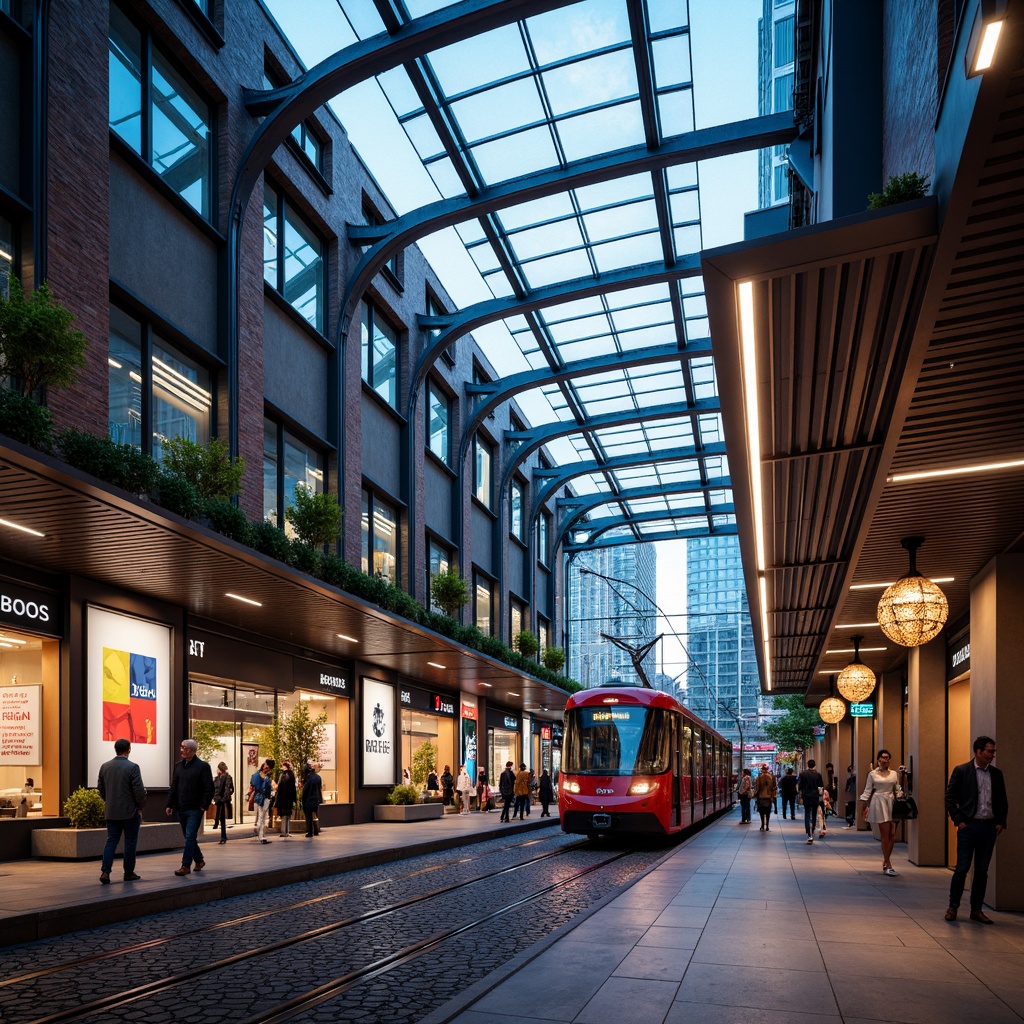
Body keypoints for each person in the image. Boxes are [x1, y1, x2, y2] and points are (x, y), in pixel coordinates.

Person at [944, 735, 1007, 923]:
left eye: (993, 751)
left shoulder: (997, 774)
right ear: (978, 752)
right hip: (968, 827)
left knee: (982, 870)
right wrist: (959, 820)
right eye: (989, 751)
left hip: (988, 828)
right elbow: (949, 798)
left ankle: (976, 909)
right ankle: (953, 907)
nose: (992, 755)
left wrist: (1000, 822)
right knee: (962, 868)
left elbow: (1003, 801)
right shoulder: (962, 771)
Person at [97, 737, 146, 884]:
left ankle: (105, 871)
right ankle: (128, 873)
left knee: (111, 840)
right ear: (129, 749)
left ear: (115, 749)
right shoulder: (133, 767)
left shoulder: (104, 766)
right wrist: (140, 806)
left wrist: (109, 801)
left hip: (111, 811)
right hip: (130, 811)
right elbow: (138, 791)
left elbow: (101, 789)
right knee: (130, 842)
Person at [166, 738, 214, 876]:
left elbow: (209, 788)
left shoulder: (203, 766)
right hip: (181, 807)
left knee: (190, 836)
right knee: (189, 838)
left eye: (183, 748)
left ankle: (185, 865)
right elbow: (174, 787)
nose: (181, 750)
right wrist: (170, 804)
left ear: (191, 750)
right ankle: (199, 860)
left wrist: (203, 806)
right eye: (181, 747)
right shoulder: (178, 766)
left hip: (195, 809)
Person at [861, 748, 900, 875]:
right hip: (879, 802)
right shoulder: (872, 774)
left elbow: (897, 788)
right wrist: (863, 807)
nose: (885, 760)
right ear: (878, 760)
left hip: (892, 802)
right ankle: (888, 864)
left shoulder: (894, 773)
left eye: (887, 758)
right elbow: (867, 791)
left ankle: (885, 861)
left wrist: (901, 796)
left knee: (892, 835)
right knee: (885, 835)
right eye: (883, 757)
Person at [798, 759, 824, 844]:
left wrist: (800, 795)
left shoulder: (803, 774)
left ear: (807, 765)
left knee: (807, 813)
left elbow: (800, 786)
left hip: (806, 796)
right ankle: (812, 830)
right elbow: (821, 787)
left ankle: (809, 833)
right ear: (815, 765)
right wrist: (821, 797)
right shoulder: (818, 775)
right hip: (815, 796)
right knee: (814, 814)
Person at [249, 758, 275, 844]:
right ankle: (261, 835)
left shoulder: (257, 775)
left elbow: (253, 783)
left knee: (261, 815)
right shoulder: (265, 777)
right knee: (262, 816)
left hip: (259, 796)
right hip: (264, 797)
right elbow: (266, 788)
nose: (265, 766)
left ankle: (260, 833)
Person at [212, 761, 234, 844]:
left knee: (222, 818)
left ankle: (223, 837)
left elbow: (230, 789)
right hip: (222, 799)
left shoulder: (220, 778)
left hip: (221, 800)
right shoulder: (225, 777)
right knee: (222, 818)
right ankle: (223, 836)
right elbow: (232, 789)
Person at [275, 760, 297, 837]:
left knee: (284, 815)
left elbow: (282, 787)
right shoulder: (291, 775)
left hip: (284, 799)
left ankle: (284, 831)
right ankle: (287, 831)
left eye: (283, 766)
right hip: (289, 799)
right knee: (288, 815)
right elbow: (293, 788)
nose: (282, 768)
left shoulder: (284, 776)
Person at [301, 761, 323, 837]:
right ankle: (316, 830)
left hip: (308, 800)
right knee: (315, 816)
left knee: (309, 817)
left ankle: (310, 832)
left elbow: (305, 790)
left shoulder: (308, 778)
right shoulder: (318, 777)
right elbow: (319, 788)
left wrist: (303, 799)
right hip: (316, 799)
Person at [753, 763, 776, 830]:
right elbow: (774, 787)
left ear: (762, 770)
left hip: (761, 797)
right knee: (768, 812)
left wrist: (754, 795)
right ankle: (767, 826)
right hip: (769, 797)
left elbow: (757, 788)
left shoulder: (759, 777)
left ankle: (762, 825)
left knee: (761, 812)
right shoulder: (772, 777)